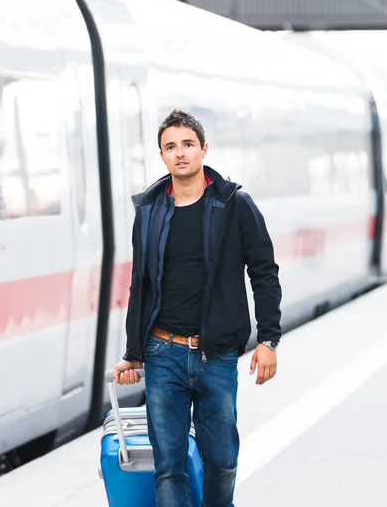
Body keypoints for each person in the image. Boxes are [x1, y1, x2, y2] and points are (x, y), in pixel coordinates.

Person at [113, 109, 282, 507]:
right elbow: (141, 284)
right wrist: (133, 354)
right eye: (170, 147)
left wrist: (269, 339)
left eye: (188, 144)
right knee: (168, 466)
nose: (180, 153)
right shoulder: (149, 210)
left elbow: (264, 271)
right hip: (162, 353)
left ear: (204, 149)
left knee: (222, 461)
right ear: (162, 156)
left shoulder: (234, 204)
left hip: (216, 355)